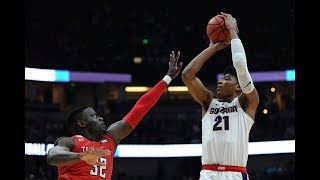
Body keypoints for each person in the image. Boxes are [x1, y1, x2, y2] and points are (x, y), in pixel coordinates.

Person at [46, 51, 183, 180]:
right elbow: (52, 156)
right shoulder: (70, 142)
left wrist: (167, 78)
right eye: (94, 116)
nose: (100, 118)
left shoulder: (110, 138)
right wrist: (82, 156)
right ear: (82, 123)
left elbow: (141, 108)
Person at [181, 12, 259, 180]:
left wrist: (233, 31)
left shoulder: (246, 104)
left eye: (226, 79)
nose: (220, 82)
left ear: (238, 86)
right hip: (208, 173)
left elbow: (240, 66)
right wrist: (212, 48)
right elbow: (187, 75)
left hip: (235, 173)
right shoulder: (209, 103)